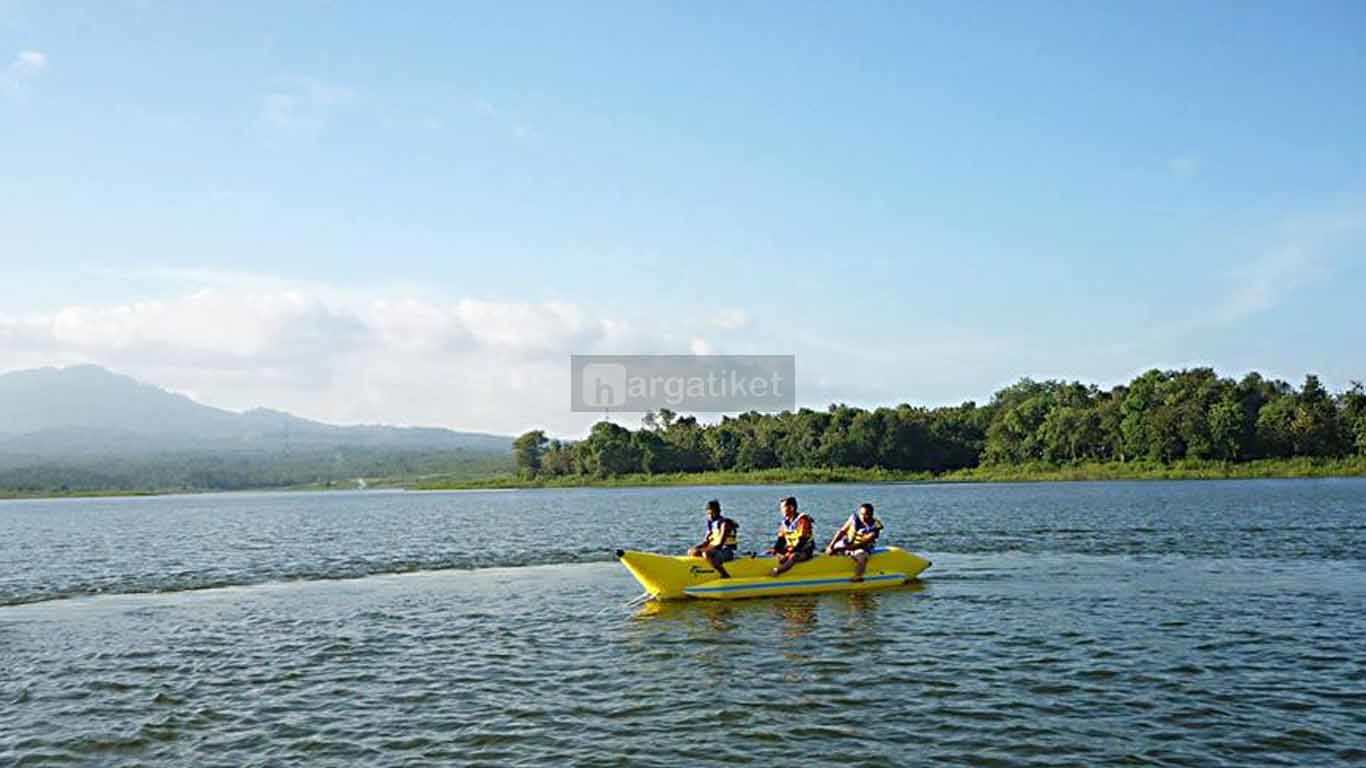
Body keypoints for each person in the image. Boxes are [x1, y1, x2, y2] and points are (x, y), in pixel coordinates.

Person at [825, 502, 883, 582]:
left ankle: (858, 576)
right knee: (829, 551)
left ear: (871, 514)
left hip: (862, 547)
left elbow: (863, 543)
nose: (864, 517)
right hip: (847, 543)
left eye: (867, 514)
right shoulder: (854, 519)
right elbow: (842, 531)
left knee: (862, 558)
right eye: (862, 514)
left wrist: (843, 549)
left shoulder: (875, 526)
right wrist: (831, 545)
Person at [687, 499, 738, 579]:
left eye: (712, 513)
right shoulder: (711, 523)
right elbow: (707, 541)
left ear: (718, 512)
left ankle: (725, 574)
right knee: (692, 551)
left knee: (706, 554)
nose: (710, 516)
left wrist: (704, 550)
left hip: (727, 552)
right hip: (715, 550)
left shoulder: (725, 524)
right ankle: (702, 570)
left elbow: (720, 544)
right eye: (708, 514)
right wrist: (697, 548)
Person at [767, 496, 815, 577]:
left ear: (791, 508)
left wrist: (789, 553)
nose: (781, 510)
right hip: (791, 548)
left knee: (794, 556)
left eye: (783, 507)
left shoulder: (803, 520)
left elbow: (802, 541)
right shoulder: (785, 522)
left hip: (804, 550)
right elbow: (781, 540)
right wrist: (775, 549)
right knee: (774, 552)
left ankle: (777, 571)